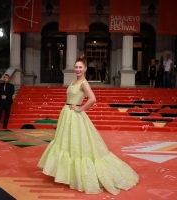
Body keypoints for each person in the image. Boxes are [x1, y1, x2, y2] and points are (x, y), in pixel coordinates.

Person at [37, 55, 139, 195]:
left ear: (85, 68)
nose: (78, 69)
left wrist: (80, 108)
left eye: (80, 67)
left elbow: (92, 99)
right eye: (76, 67)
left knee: (78, 145)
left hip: (74, 115)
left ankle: (80, 176)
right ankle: (67, 173)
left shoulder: (84, 83)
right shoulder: (74, 81)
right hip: (66, 114)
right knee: (67, 143)